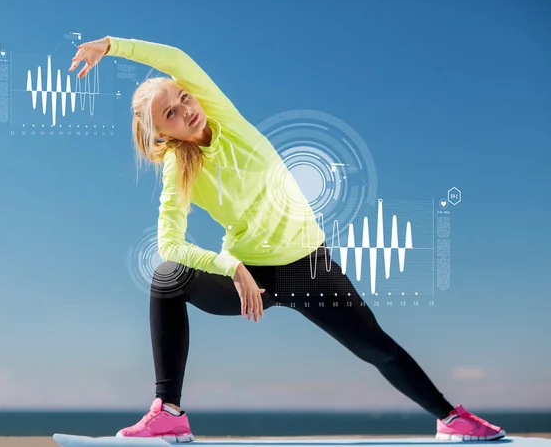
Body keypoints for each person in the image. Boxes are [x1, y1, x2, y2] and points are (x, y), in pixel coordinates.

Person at [69, 36, 506, 443]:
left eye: (183, 98)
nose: (185, 109)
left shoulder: (222, 115)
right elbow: (168, 245)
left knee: (376, 346)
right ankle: (169, 413)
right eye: (171, 114)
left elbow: (175, 60)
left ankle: (451, 419)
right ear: (164, 135)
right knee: (167, 278)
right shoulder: (179, 170)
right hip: (251, 277)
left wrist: (109, 46)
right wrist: (232, 268)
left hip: (309, 265)